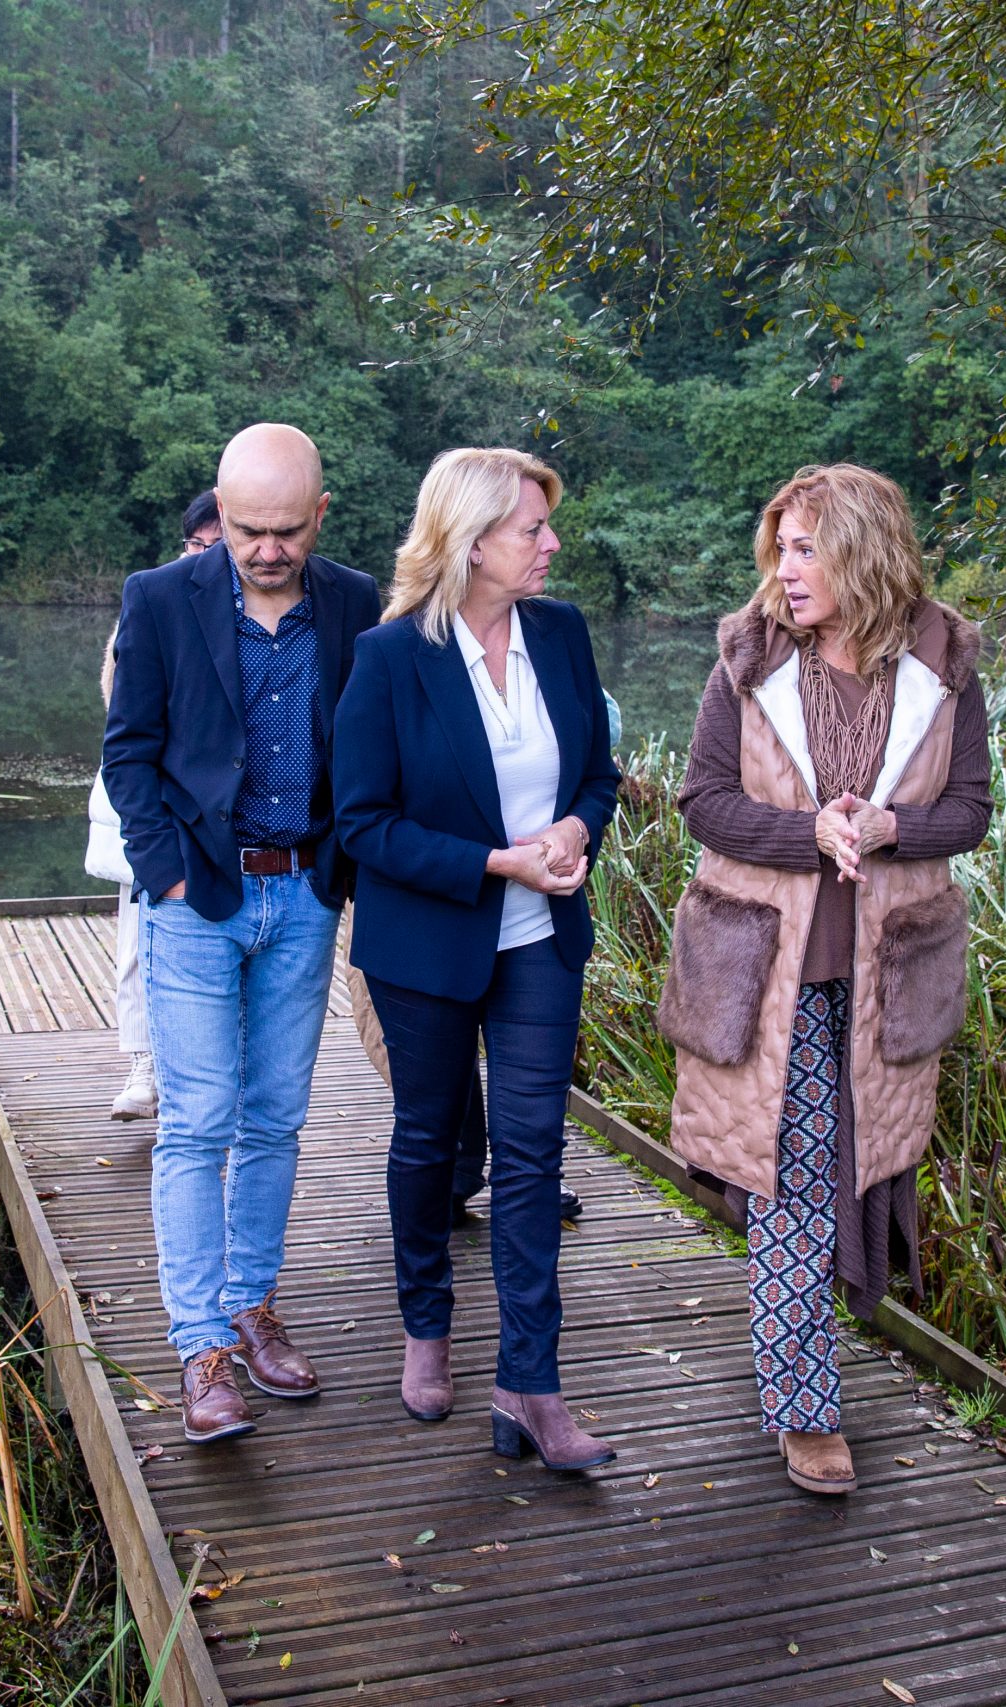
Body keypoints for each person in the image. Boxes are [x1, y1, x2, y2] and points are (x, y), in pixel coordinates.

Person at [659, 463, 991, 1497]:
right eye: (780, 548)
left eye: (806, 548)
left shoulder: (944, 664)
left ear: (863, 550)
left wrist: (892, 827)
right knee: (797, 1178)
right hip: (770, 971)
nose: (784, 570)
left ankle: (804, 1354)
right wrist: (808, 834)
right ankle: (804, 1407)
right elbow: (704, 802)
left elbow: (970, 811)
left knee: (859, 1172)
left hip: (891, 974)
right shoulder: (748, 661)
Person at [334, 447, 621, 1470]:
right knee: (425, 1141)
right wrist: (498, 859)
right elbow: (361, 825)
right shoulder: (389, 656)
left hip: (543, 937)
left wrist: (577, 832)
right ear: (470, 541)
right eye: (531, 529)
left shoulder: (562, 633)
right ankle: (426, 1326)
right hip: (427, 945)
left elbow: (598, 771)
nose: (551, 545)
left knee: (534, 1156)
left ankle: (530, 1384)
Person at [104, 427, 381, 1444]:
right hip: (196, 896)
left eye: (282, 530)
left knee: (273, 1116)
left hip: (305, 893)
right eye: (243, 529)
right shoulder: (159, 599)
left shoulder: (354, 603)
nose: (262, 549)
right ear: (219, 513)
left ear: (319, 514)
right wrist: (163, 871)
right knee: (197, 1119)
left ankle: (253, 1306)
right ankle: (200, 1350)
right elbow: (127, 754)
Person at [90, 490, 223, 1120]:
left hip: (228, 819)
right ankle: (144, 1064)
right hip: (153, 803)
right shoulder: (159, 598)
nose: (209, 553)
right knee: (136, 938)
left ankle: (203, 1075)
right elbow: (117, 698)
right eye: (199, 543)